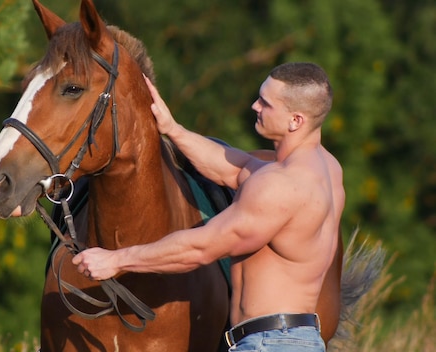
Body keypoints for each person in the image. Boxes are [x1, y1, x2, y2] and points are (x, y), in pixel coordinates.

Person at [72, 62, 344, 351]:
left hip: (271, 343)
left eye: (266, 103)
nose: (255, 106)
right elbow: (234, 168)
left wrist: (116, 260)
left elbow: (200, 248)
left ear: (295, 121)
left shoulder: (282, 185)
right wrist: (172, 130)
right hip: (291, 339)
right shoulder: (324, 168)